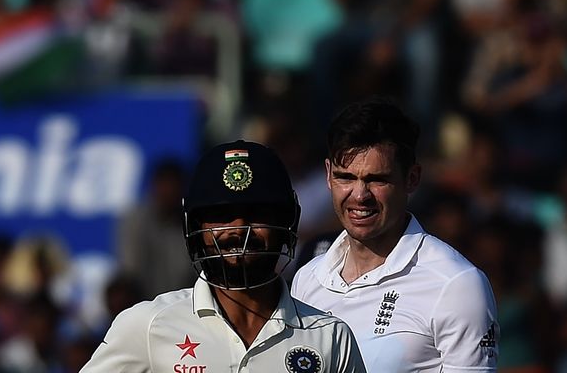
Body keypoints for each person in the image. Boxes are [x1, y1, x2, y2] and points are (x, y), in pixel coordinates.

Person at [81, 140, 366, 372]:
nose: (239, 230)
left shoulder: (329, 337)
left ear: (286, 223)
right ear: (195, 227)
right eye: (221, 216)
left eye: (257, 214)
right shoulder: (148, 325)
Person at [291, 99, 500, 372]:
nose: (359, 196)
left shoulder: (456, 283)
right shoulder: (307, 278)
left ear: (412, 178)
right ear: (328, 175)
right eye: (346, 178)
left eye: (377, 179)